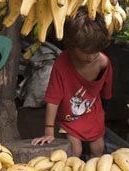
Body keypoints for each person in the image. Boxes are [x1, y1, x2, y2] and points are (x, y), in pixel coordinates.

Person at [31, 6, 113, 159]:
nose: (91, 57)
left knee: (98, 148)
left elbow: (106, 94)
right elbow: (53, 99)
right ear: (72, 45)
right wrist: (48, 130)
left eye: (95, 51)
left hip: (93, 114)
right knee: (75, 150)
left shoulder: (103, 63)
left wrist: (103, 114)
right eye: (85, 51)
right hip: (69, 118)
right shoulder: (62, 63)